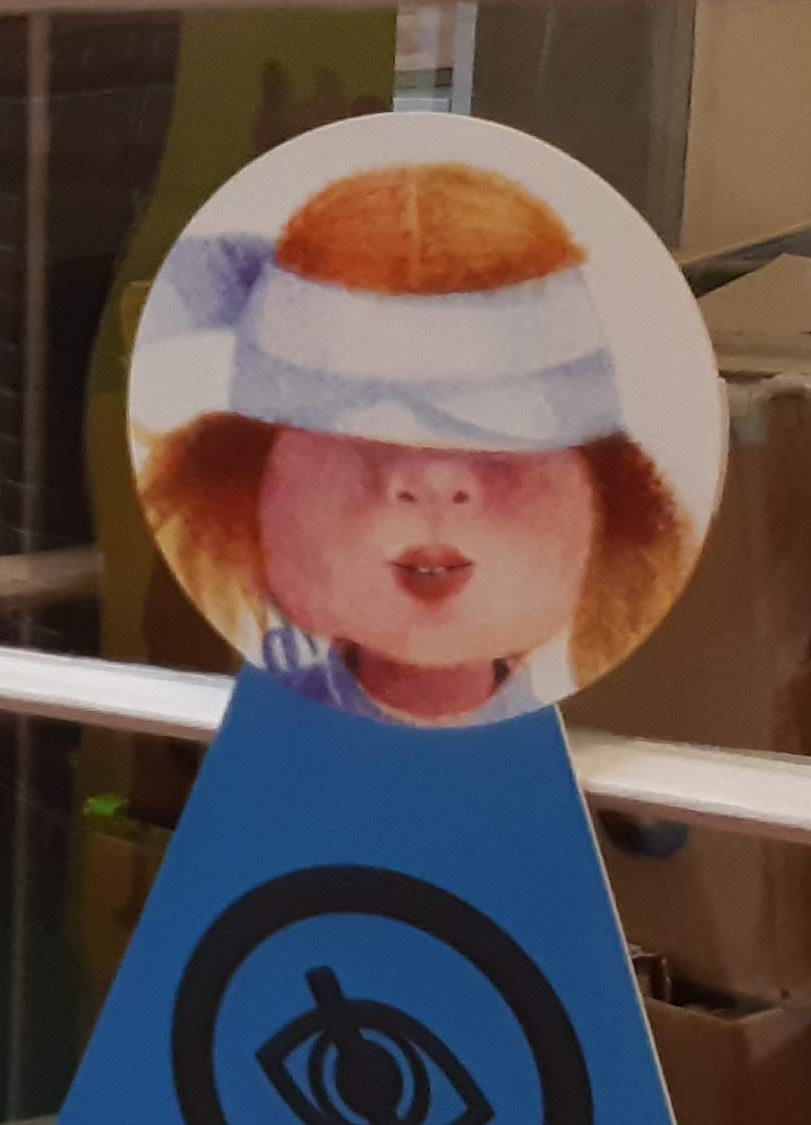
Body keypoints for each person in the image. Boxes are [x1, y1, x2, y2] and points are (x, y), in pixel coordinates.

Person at [135, 159, 693, 729]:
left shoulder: (638, 729)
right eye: (359, 440)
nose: (434, 481)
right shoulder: (228, 709)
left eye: (503, 445)